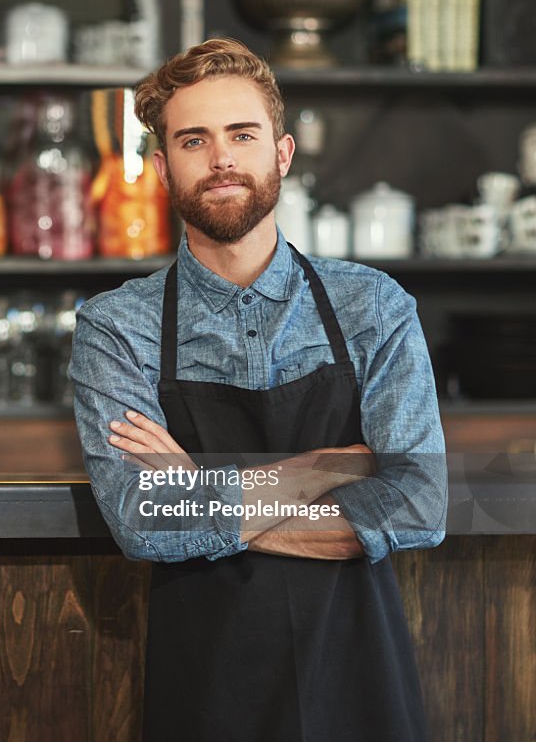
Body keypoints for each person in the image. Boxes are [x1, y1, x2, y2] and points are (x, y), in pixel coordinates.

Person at [69, 38, 447, 741]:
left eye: (242, 135)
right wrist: (333, 466)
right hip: (210, 687)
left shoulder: (374, 307)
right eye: (194, 140)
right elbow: (140, 519)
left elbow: (419, 504)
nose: (221, 160)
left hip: (358, 678)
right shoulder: (115, 327)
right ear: (162, 167)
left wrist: (197, 489)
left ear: (282, 153)